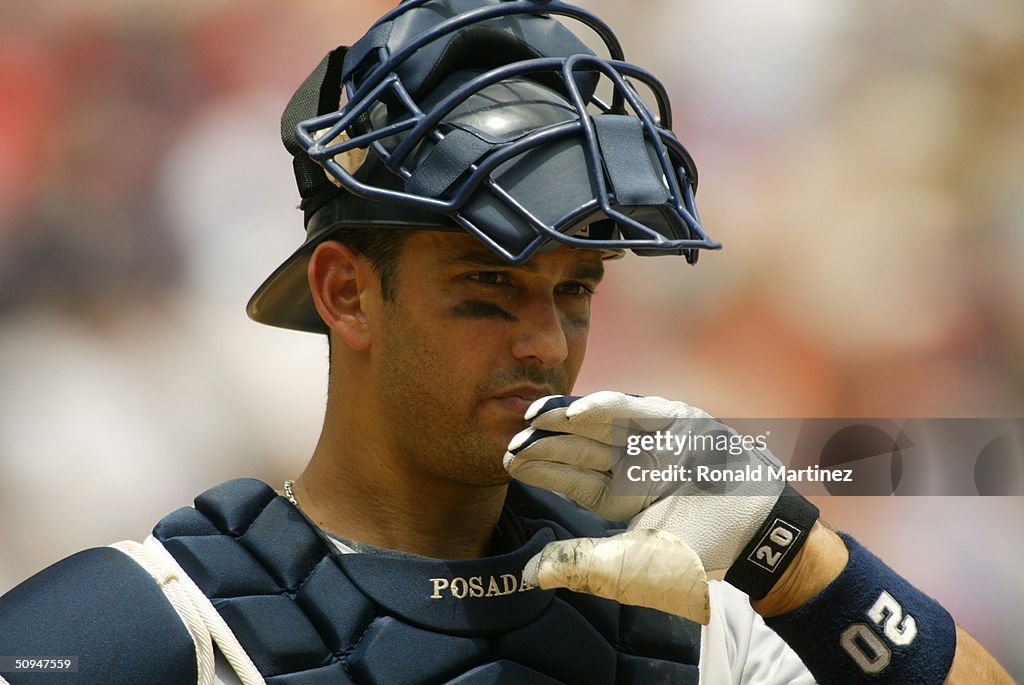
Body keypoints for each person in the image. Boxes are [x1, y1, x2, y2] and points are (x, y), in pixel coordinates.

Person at [0, 1, 1014, 683]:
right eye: (488, 289)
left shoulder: (685, 610)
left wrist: (791, 552)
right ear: (347, 293)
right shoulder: (162, 621)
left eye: (573, 292)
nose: (543, 342)